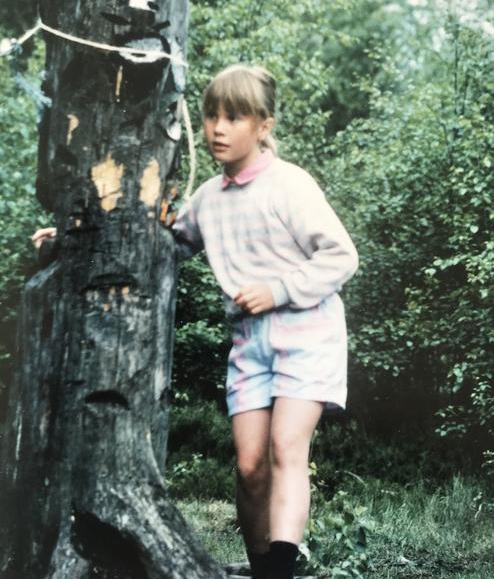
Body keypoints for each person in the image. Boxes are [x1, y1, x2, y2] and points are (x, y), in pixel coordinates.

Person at [32, 64, 358, 579]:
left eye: (234, 117)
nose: (218, 129)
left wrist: (278, 290)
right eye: (211, 116)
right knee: (249, 467)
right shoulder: (207, 198)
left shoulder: (289, 185)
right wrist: (72, 235)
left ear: (264, 126)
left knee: (285, 448)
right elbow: (159, 246)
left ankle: (281, 572)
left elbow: (341, 256)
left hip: (308, 336)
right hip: (250, 345)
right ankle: (261, 569)